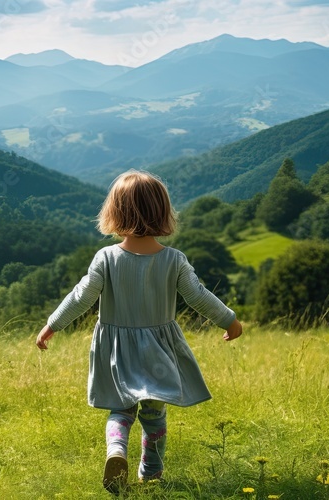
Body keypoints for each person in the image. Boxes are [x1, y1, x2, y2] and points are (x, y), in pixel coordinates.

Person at [35, 170, 242, 493]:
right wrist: (230, 320)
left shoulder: (106, 258)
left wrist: (52, 325)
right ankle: (151, 472)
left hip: (117, 349)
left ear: (115, 213)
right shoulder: (174, 260)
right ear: (162, 213)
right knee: (155, 413)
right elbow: (199, 296)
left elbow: (81, 297)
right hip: (159, 350)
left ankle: (116, 452)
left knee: (121, 408)